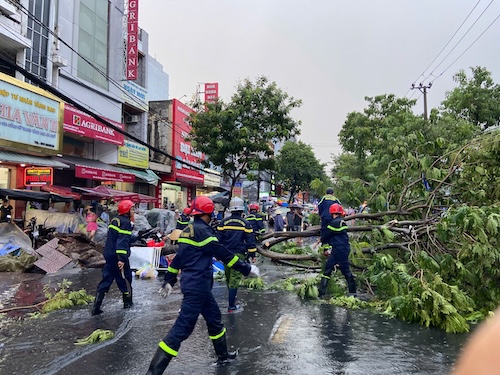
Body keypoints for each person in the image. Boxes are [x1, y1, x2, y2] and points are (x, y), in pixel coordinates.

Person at [146, 196, 260, 374]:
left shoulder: (188, 230)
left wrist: (169, 279)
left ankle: (223, 356)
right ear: (209, 212)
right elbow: (223, 253)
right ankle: (153, 371)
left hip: (199, 286)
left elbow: (179, 258)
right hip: (197, 287)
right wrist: (247, 268)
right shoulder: (203, 232)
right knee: (182, 329)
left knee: (214, 320)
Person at [91, 200, 135, 316]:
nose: (133, 211)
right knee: (126, 280)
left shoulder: (115, 220)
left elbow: (117, 238)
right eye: (132, 209)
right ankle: (128, 306)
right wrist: (122, 259)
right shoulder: (125, 222)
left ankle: (96, 308)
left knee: (107, 279)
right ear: (127, 210)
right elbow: (122, 242)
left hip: (109, 255)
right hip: (118, 256)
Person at [217, 197, 257, 312]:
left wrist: (218, 254)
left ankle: (233, 300)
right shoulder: (246, 224)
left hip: (225, 255)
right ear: (241, 210)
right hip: (238, 256)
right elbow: (250, 242)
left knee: (229, 277)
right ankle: (231, 306)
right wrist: (252, 255)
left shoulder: (223, 222)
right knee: (234, 279)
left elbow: (218, 240)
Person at [318, 203, 356, 298]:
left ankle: (321, 293)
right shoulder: (342, 222)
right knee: (341, 269)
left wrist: (321, 240)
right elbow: (335, 236)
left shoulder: (334, 223)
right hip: (343, 249)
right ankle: (353, 293)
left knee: (330, 270)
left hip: (338, 250)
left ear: (332, 213)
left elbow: (326, 235)